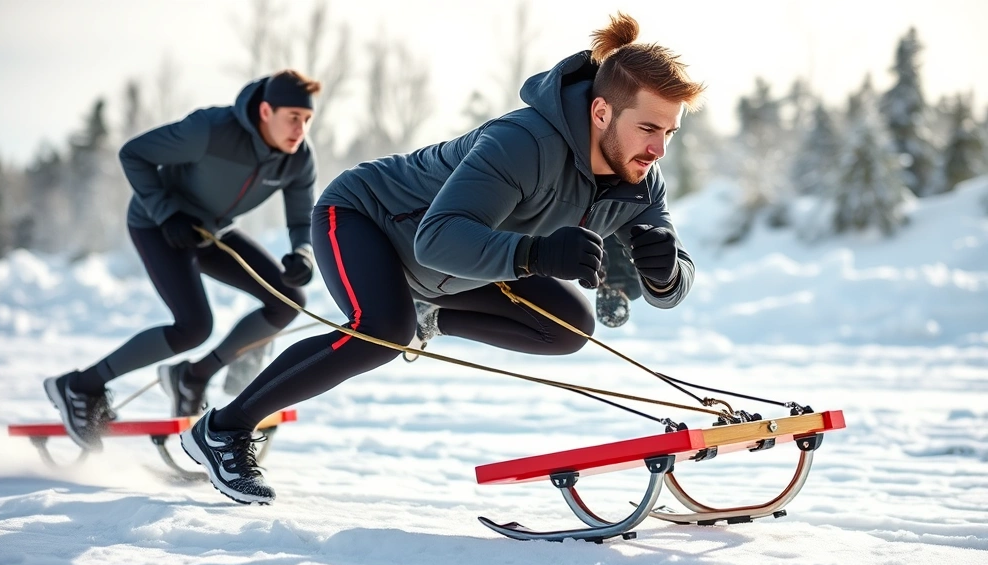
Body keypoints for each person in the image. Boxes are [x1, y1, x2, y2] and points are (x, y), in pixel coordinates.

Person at [181, 12, 704, 504]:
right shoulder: (523, 142)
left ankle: (428, 316)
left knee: (568, 327)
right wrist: (538, 253)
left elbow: (673, 283)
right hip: (369, 219)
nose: (659, 149)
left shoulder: (641, 181)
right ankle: (223, 429)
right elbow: (437, 238)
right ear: (601, 111)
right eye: (649, 129)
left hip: (458, 267)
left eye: (670, 133)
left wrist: (665, 275)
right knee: (381, 329)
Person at [44, 69, 323, 451]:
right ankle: (80, 386)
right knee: (193, 326)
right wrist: (166, 213)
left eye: (307, 120)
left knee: (287, 301)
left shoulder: (297, 161)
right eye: (293, 117)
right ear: (264, 111)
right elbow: (134, 154)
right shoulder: (211, 129)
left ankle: (193, 376)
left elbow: (301, 219)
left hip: (212, 233)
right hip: (158, 226)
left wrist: (302, 253)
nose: (300, 129)